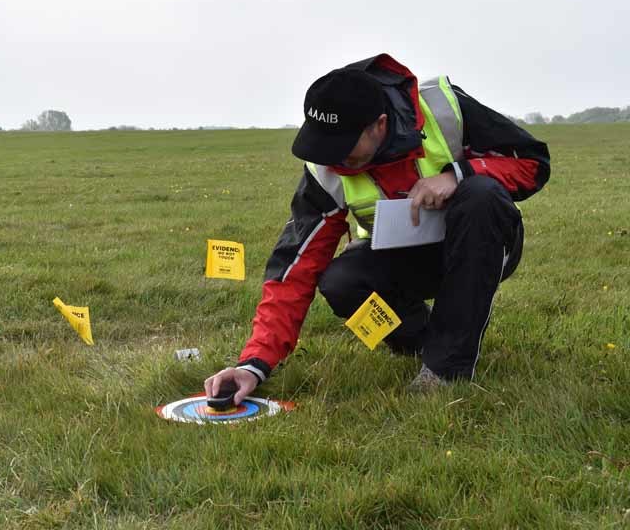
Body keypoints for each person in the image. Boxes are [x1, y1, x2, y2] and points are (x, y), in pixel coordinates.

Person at [205, 54, 551, 401]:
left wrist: (457, 176)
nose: (334, 161)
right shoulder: (326, 169)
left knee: (481, 195)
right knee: (340, 284)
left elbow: (533, 163)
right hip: (405, 259)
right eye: (326, 148)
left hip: (486, 245)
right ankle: (420, 341)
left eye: (344, 149)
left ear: (379, 125)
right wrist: (254, 363)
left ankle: (447, 370)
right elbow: (294, 267)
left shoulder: (443, 107)